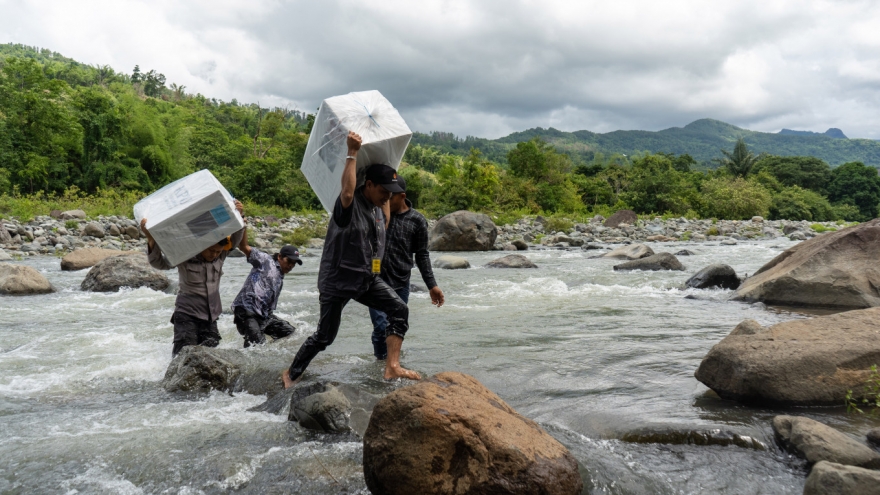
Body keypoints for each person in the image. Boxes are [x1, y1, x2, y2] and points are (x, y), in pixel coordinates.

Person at [282, 131, 419, 388]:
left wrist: (390, 171)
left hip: (366, 279)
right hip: (338, 281)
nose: (387, 197)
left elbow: (387, 219)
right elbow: (346, 191)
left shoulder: (379, 211)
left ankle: (392, 366)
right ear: (368, 185)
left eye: (390, 193)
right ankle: (291, 373)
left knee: (399, 309)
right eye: (383, 191)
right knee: (325, 336)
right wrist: (352, 153)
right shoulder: (348, 205)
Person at [141, 200, 245, 356]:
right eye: (211, 250)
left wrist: (239, 214)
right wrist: (151, 240)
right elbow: (158, 263)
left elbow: (235, 239)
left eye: (218, 251)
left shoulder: (220, 256)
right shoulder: (185, 255)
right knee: (183, 357)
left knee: (211, 357)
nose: (214, 254)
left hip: (211, 316)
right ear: (203, 245)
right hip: (187, 315)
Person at [369, 176, 444, 360]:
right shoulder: (376, 214)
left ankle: (390, 363)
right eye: (384, 196)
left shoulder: (417, 220)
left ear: (402, 196)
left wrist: (431, 285)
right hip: (375, 280)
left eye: (390, 197)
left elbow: (422, 254)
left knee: (396, 325)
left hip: (401, 282)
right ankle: (382, 363)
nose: (386, 200)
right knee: (380, 327)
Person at [231, 231, 302, 347]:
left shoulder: (280, 278)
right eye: (289, 261)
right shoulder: (265, 260)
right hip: (246, 310)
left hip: (263, 315)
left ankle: (269, 350)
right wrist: (243, 225)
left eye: (294, 263)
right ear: (279, 256)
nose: (291, 266)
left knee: (290, 333)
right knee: (257, 345)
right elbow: (243, 247)